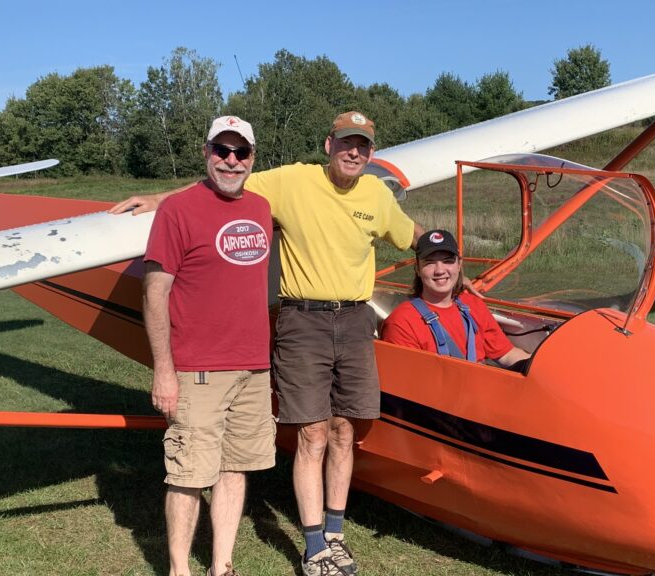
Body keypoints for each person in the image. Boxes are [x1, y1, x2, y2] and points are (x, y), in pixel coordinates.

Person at [112, 111, 425, 576]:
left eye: (362, 145)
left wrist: (447, 263)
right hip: (287, 325)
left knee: (319, 438)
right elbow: (214, 191)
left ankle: (239, 560)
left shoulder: (367, 195)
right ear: (328, 145)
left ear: (371, 152)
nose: (232, 159)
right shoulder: (288, 182)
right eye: (345, 142)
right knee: (290, 439)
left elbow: (412, 234)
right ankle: (282, 549)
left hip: (327, 332)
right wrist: (159, 198)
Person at [143, 116, 275, 576]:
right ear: (207, 152)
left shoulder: (261, 207)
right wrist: (164, 370)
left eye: (241, 153)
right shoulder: (177, 210)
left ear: (253, 159)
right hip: (197, 368)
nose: (231, 161)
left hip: (254, 366)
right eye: (222, 150)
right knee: (188, 475)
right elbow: (155, 292)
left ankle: (222, 564)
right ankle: (180, 569)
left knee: (235, 468)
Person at [381, 229, 531, 370]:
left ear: (459, 265)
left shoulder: (473, 305)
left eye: (447, 261)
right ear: (418, 269)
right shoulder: (401, 322)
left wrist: (538, 366)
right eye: (430, 263)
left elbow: (507, 355)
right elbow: (409, 386)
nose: (440, 270)